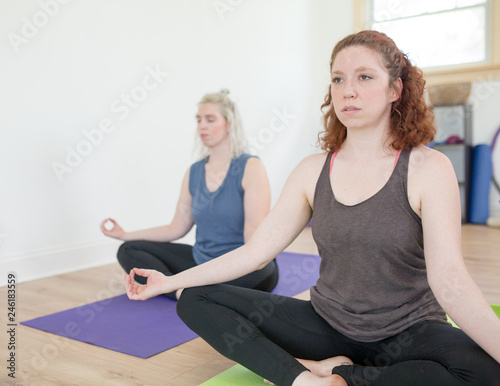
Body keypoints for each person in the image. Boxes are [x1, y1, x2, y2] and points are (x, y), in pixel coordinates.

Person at [124, 31, 500, 385]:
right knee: (196, 298)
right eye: (338, 79)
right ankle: (304, 378)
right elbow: (256, 253)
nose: (348, 91)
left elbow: (449, 282)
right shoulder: (312, 170)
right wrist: (170, 281)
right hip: (326, 325)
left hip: (409, 331)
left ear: (395, 89)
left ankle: (348, 377)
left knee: (483, 371)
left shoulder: (428, 169)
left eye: (364, 77)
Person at [101, 89, 278, 299]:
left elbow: (254, 238)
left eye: (210, 119)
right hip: (201, 261)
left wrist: (243, 265)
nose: (202, 126)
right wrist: (125, 235)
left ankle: (190, 289)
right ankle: (180, 290)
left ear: (229, 124)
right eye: (199, 120)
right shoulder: (193, 172)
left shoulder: (251, 167)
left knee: (259, 272)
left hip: (241, 266)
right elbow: (176, 227)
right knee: (128, 250)